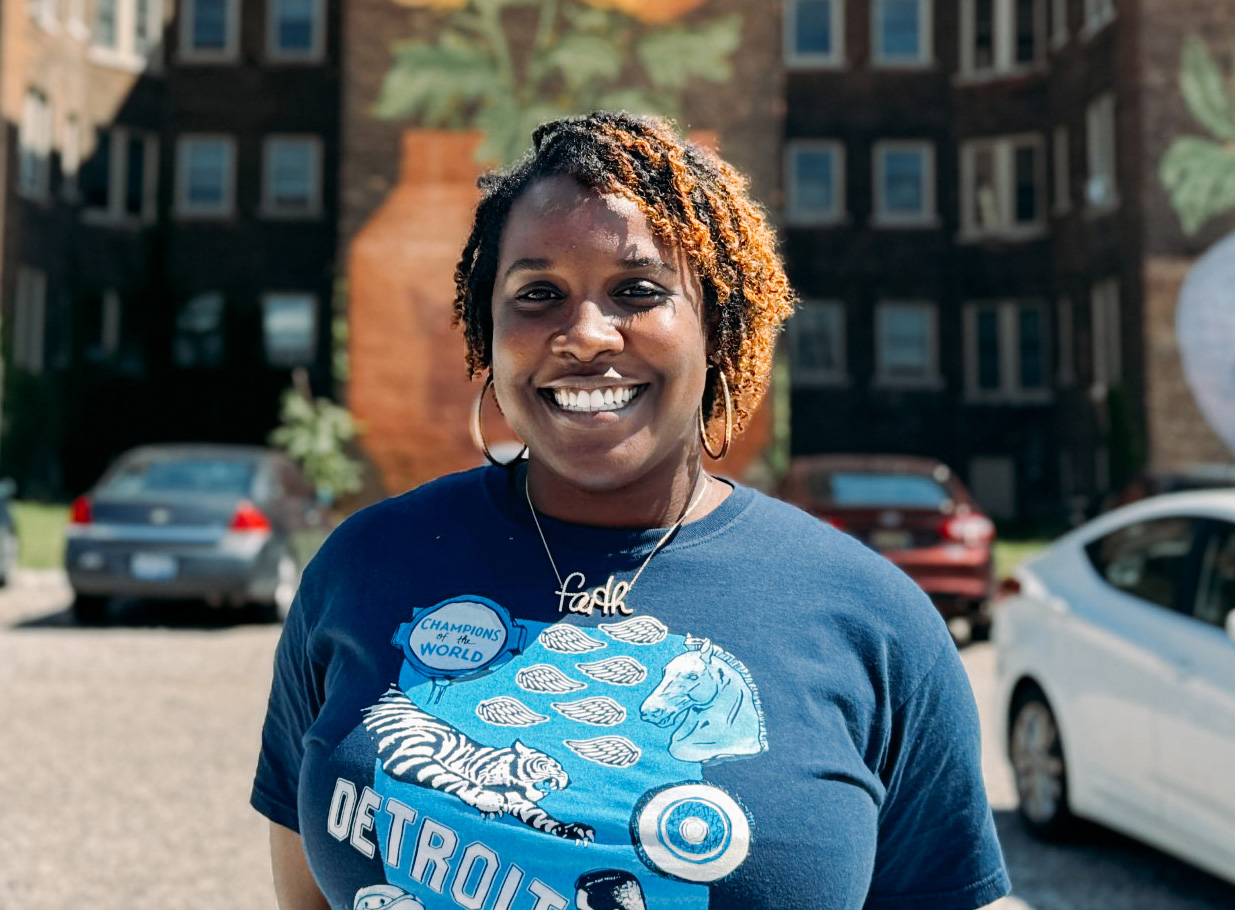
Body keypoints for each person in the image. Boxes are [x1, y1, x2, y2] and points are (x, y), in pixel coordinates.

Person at [251, 111, 1011, 910]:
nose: (585, 335)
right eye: (537, 293)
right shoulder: (367, 565)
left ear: (716, 326)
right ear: (488, 332)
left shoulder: (871, 618)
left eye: (638, 291)